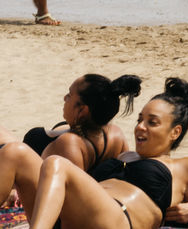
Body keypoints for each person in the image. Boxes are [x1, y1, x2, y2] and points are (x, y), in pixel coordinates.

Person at [4, 77, 188, 229]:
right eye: (139, 120)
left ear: (175, 132)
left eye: (152, 123)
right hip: (75, 218)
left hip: (119, 221)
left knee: (55, 164)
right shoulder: (124, 155)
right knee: (16, 152)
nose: (140, 127)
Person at [0, 73, 143, 211]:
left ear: (82, 110)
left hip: (38, 201)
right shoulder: (116, 134)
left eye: (69, 95)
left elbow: (71, 199)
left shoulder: (70, 144)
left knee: (12, 149)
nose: (64, 98)